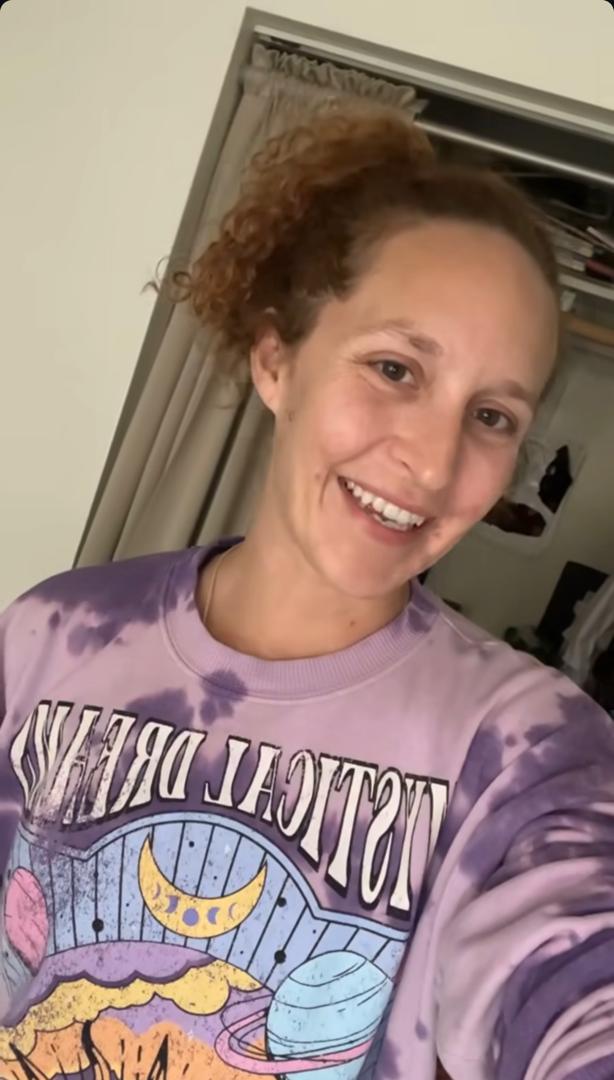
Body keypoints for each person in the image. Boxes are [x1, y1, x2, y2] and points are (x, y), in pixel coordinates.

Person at [0, 107, 613, 1080]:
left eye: (492, 415)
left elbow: (574, 979)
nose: (432, 461)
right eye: (394, 368)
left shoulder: (526, 748)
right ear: (276, 359)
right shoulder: (52, 633)